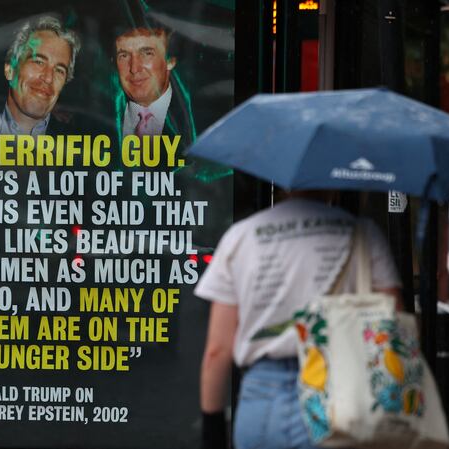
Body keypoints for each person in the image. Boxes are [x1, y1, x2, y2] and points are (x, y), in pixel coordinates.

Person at [196, 191, 401, 449]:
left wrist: (212, 432)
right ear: (333, 187)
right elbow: (393, 324)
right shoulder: (363, 235)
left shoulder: (241, 237)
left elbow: (217, 351)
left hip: (261, 401)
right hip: (340, 398)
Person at [0, 16, 81, 135]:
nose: (48, 78)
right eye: (38, 62)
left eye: (59, 70)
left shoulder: (81, 148)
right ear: (10, 69)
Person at [114, 27, 194, 141]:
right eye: (124, 56)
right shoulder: (97, 119)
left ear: (170, 61)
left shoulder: (198, 122)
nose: (134, 68)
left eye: (147, 53)